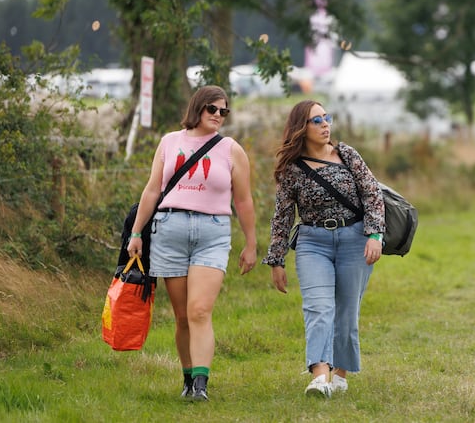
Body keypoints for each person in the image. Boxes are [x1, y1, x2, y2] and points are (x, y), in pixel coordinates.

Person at [127, 85, 258, 402]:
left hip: (211, 232)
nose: (218, 115)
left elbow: (243, 201)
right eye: (212, 109)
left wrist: (251, 244)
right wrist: (135, 233)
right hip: (169, 229)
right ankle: (187, 378)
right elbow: (151, 191)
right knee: (182, 315)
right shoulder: (170, 142)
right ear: (197, 107)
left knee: (200, 310)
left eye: (223, 111)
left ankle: (201, 385)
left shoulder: (230, 149)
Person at [262, 100, 385, 398]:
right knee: (318, 308)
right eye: (316, 120)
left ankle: (340, 372)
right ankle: (320, 376)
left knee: (346, 311)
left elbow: (372, 193)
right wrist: (276, 260)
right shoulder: (292, 169)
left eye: (326, 118)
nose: (325, 124)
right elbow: (283, 215)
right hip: (313, 243)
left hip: (355, 238)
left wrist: (375, 235)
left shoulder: (346, 154)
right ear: (301, 128)